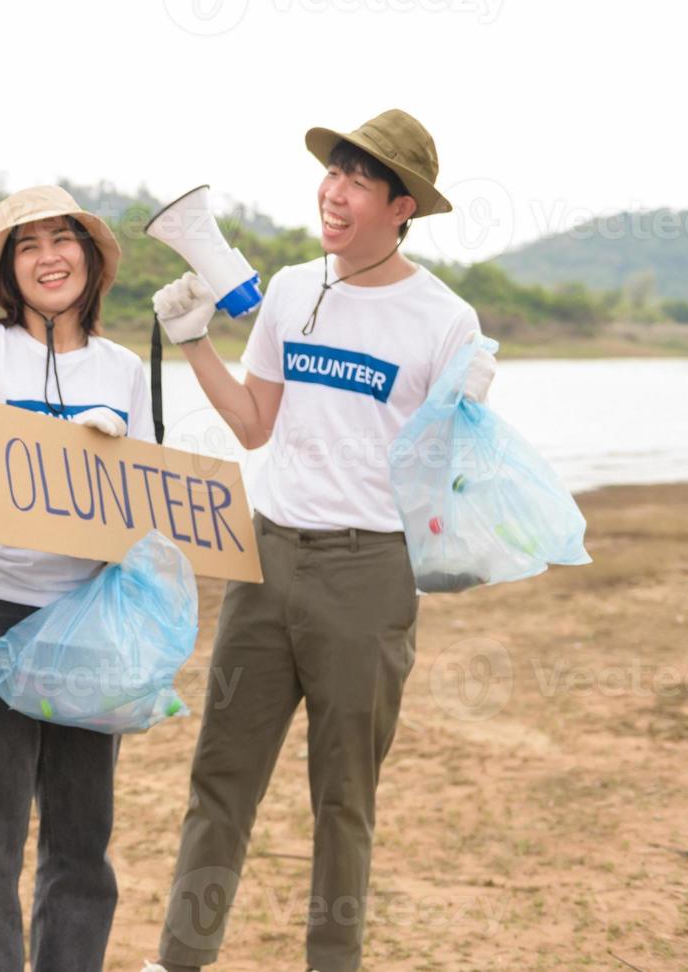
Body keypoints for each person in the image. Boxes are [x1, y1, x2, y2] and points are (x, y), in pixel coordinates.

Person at [141, 110, 496, 972]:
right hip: (264, 560)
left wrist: (470, 411)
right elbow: (255, 426)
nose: (333, 194)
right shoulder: (294, 289)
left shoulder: (444, 319)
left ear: (400, 205)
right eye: (331, 174)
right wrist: (193, 344)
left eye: (357, 182)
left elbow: (447, 475)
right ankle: (177, 961)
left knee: (343, 797)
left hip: (369, 571)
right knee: (219, 779)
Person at [0, 184, 155, 972]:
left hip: (89, 618)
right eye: (27, 245)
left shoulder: (123, 368)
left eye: (63, 240)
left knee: (81, 837)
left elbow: (151, 507)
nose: (47, 257)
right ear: (6, 269)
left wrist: (116, 452)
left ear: (91, 258)